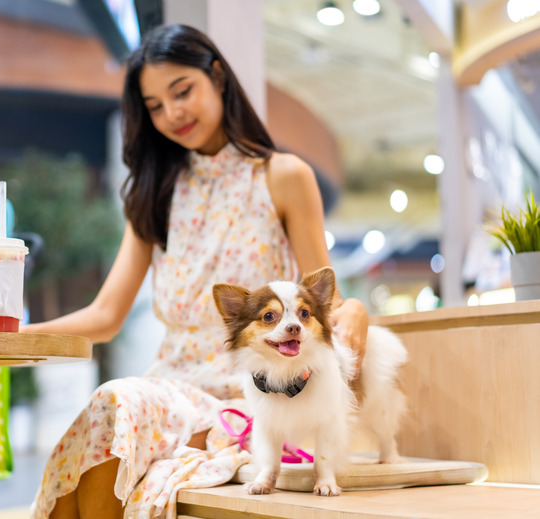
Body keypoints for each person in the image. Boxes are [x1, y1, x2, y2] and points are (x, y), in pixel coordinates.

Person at [25, 23, 369, 519]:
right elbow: (105, 314)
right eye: (155, 106)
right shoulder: (155, 194)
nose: (172, 114)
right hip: (170, 387)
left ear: (218, 76)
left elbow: (324, 300)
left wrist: (355, 307)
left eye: (182, 92)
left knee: (117, 402)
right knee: (111, 415)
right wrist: (17, 336)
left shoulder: (284, 177)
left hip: (250, 393)